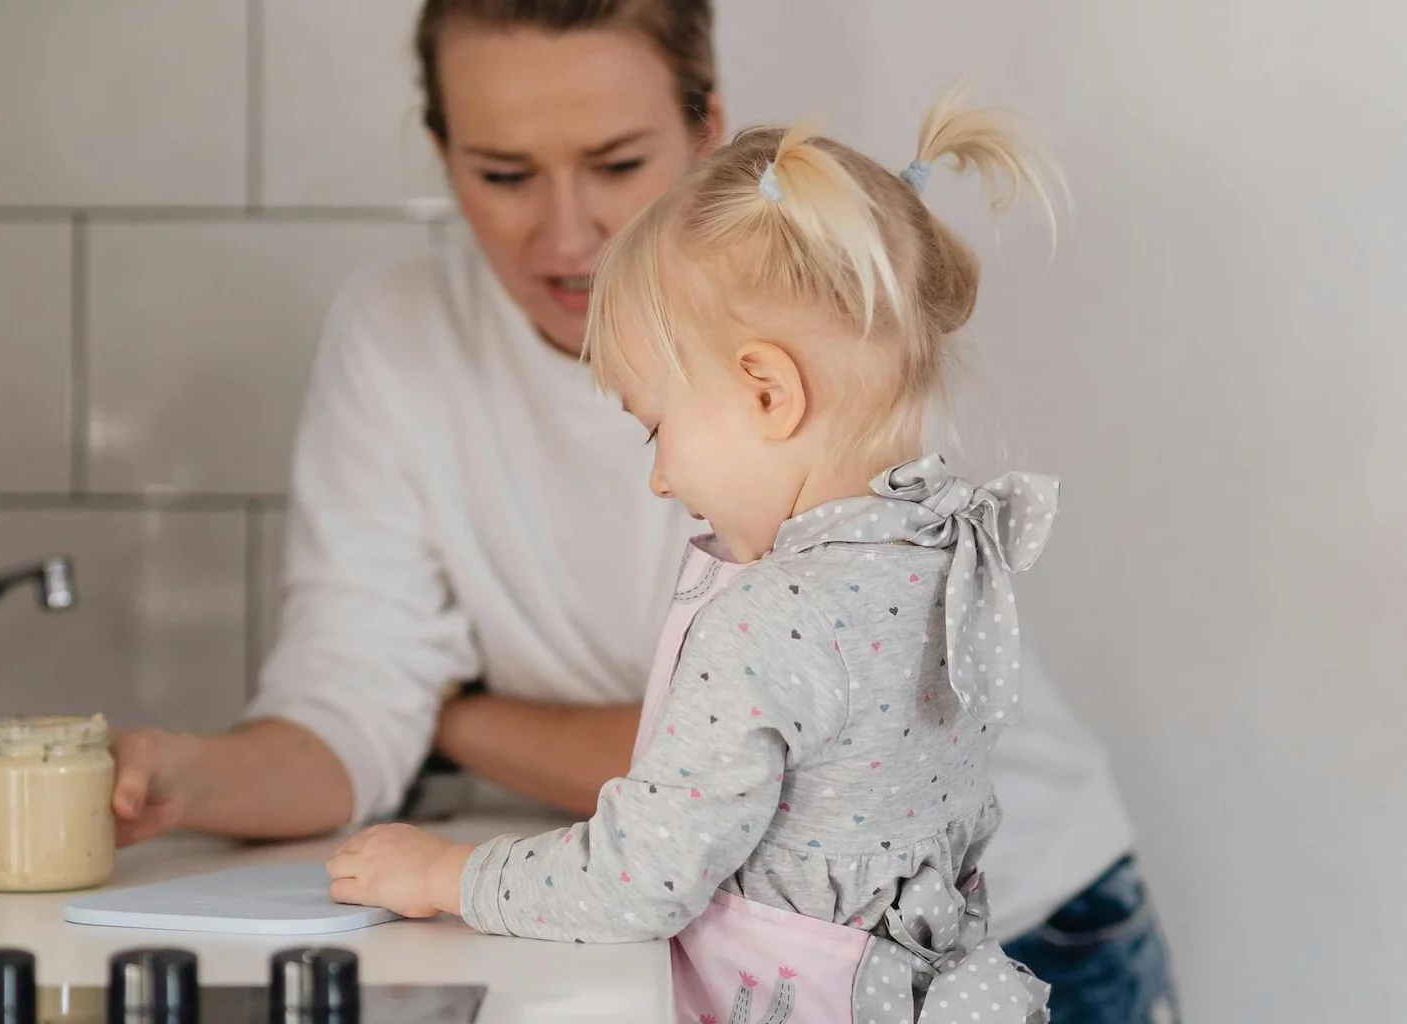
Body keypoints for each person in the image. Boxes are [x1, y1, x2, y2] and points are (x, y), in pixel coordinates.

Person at [0, 3, 1178, 1020]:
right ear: (441, 153)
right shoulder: (397, 341)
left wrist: (448, 721)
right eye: (503, 172)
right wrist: (186, 776)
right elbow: (352, 699)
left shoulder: (829, 322)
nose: (568, 230)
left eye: (618, 165)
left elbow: (680, 783)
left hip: (1023, 926)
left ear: (708, 129)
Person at [327, 83, 1063, 1024]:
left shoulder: (771, 616)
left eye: (655, 429)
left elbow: (638, 880)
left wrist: (447, 874)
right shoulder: (944, 556)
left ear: (765, 394)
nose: (660, 478)